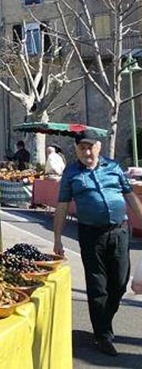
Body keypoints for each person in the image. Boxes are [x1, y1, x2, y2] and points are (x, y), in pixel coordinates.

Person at [53, 131, 142, 356]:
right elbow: (62, 206)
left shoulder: (113, 167)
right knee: (97, 286)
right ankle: (103, 334)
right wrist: (57, 238)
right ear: (76, 150)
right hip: (91, 235)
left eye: (91, 147)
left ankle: (104, 320)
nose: (87, 151)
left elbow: (130, 196)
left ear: (99, 147)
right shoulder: (71, 173)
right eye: (82, 147)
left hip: (120, 232)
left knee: (120, 283)